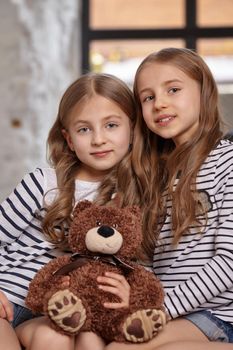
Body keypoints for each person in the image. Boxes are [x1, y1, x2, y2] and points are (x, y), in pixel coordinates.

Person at [103, 48, 233, 349]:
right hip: (174, 313)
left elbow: (229, 262)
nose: (159, 103)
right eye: (147, 97)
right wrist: (138, 296)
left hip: (219, 315)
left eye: (173, 90)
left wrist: (159, 309)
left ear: (205, 92)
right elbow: (148, 259)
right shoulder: (156, 175)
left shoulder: (228, 163)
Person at [0, 72, 135, 350]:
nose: (98, 139)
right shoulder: (45, 183)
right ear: (69, 139)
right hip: (7, 297)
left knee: (56, 338)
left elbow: (135, 265)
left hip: (55, 311)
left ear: (133, 130)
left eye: (111, 125)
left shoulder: (137, 197)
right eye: (84, 129)